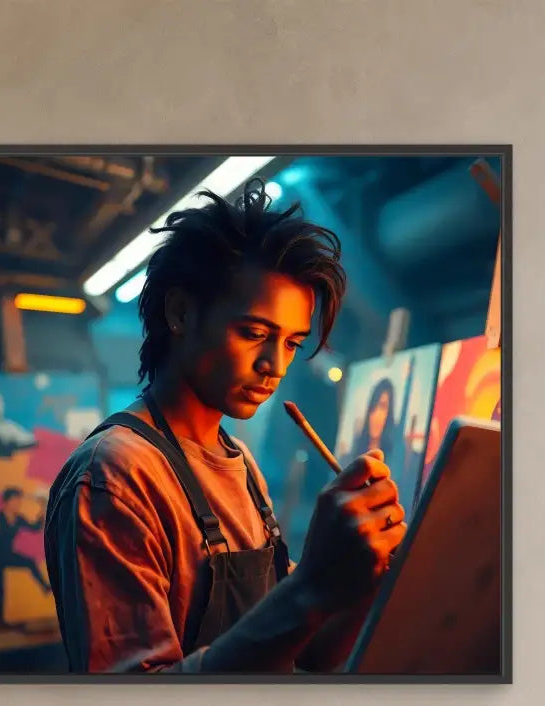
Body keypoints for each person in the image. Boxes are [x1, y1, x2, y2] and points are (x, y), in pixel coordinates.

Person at [44, 177, 407, 673]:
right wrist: (311, 585)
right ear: (180, 313)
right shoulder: (115, 476)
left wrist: (372, 578)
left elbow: (310, 651)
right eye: (254, 333)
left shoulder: (240, 464)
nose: (274, 365)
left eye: (291, 343)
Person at [0, 487, 52, 629]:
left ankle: (45, 587)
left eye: (19, 501)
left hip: (7, 555)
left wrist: (44, 509)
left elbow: (34, 527)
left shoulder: (19, 519)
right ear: (7, 502)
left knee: (29, 562)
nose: (18, 504)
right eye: (15, 501)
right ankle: (0, 622)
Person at [345, 376, 397, 466]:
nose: (376, 415)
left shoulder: (393, 460)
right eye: (374, 407)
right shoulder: (351, 457)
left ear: (389, 414)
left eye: (382, 407)